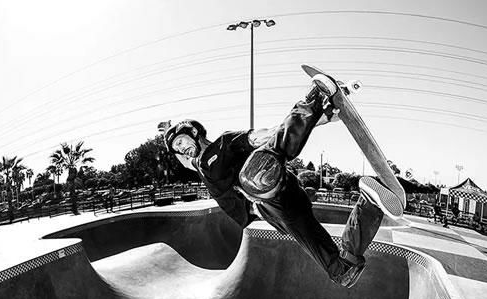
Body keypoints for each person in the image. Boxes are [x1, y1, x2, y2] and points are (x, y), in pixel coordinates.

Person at [164, 76, 404, 288]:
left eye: (181, 142)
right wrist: (325, 116)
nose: (182, 150)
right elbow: (186, 162)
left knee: (256, 172)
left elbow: (266, 135)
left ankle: (313, 98)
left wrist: (315, 113)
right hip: (280, 211)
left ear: (194, 132)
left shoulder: (224, 144)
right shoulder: (199, 166)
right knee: (342, 272)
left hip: (273, 188)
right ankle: (370, 204)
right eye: (177, 149)